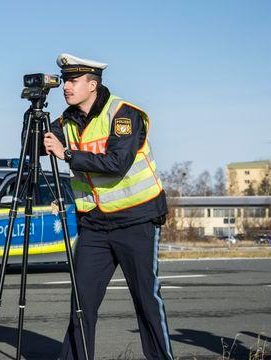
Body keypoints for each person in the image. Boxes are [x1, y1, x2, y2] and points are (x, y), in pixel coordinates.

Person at [42, 53, 174, 360]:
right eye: (64, 81)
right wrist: (33, 113)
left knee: (146, 300)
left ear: (92, 84)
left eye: (73, 81)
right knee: (81, 303)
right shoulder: (66, 121)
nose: (66, 87)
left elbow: (117, 163)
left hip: (137, 219)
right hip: (95, 224)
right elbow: (36, 146)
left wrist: (68, 155)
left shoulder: (125, 114)